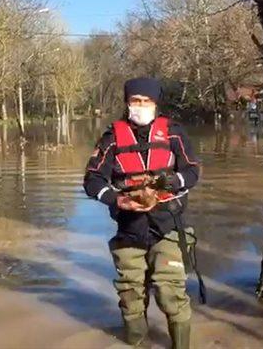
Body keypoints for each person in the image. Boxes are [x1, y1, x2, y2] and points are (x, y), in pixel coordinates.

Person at [83, 77, 202, 348]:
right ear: (127, 104)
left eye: (146, 101)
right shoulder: (112, 137)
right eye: (135, 101)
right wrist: (117, 200)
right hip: (129, 227)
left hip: (168, 224)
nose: (140, 106)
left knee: (170, 292)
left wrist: (173, 181)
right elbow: (92, 180)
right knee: (130, 295)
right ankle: (136, 342)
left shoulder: (174, 132)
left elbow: (193, 171)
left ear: (156, 104)